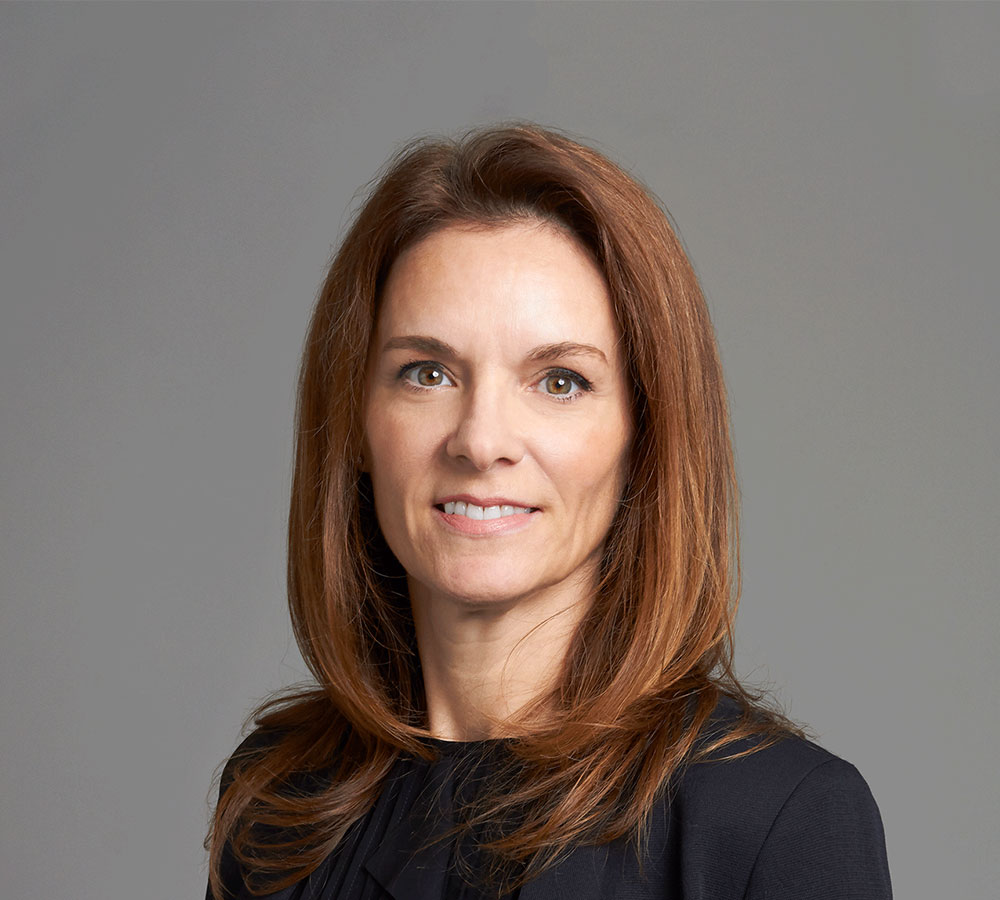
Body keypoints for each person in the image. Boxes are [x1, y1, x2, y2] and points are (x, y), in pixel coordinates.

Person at [205, 123, 892, 900]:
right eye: (427, 372)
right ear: (357, 421)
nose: (481, 439)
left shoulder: (774, 819)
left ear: (643, 437)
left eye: (559, 381)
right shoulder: (278, 801)